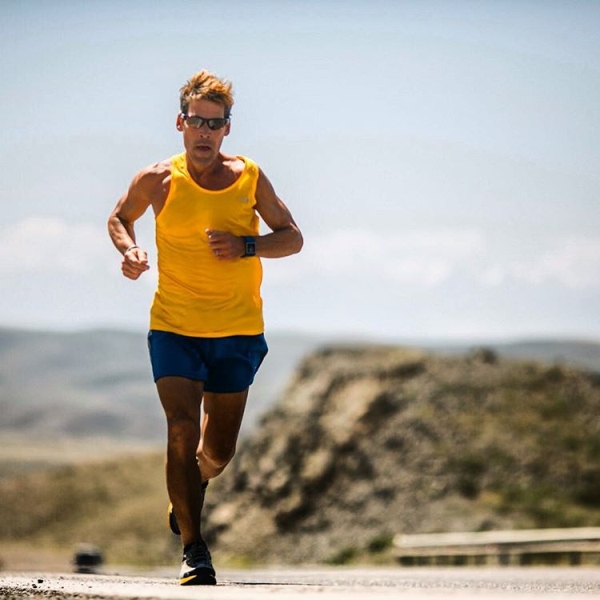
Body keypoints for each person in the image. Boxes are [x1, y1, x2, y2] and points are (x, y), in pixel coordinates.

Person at [107, 69, 303, 586]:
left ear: (227, 129)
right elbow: (120, 217)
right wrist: (130, 250)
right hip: (174, 327)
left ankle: (192, 485)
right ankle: (194, 549)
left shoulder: (249, 177)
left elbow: (292, 237)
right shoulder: (157, 179)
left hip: (237, 331)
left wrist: (247, 245)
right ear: (181, 123)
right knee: (180, 428)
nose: (205, 132)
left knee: (217, 451)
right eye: (197, 121)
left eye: (215, 124)